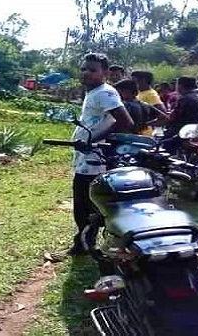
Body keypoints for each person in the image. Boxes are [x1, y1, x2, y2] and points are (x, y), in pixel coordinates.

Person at [69, 53, 134, 255]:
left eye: (92, 70)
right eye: (84, 69)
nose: (86, 73)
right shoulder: (94, 91)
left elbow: (125, 122)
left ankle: (85, 243)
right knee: (85, 202)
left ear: (105, 73)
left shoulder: (105, 93)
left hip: (94, 158)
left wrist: (92, 140)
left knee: (84, 204)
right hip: (87, 156)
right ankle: (85, 241)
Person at [162, 76, 198, 154]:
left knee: (162, 146)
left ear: (180, 85)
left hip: (180, 131)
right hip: (194, 130)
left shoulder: (184, 99)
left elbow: (172, 117)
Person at [131, 71, 167, 135]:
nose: (131, 83)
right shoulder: (139, 92)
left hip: (144, 134)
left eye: (134, 81)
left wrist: (144, 125)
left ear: (143, 80)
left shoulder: (151, 94)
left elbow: (163, 116)